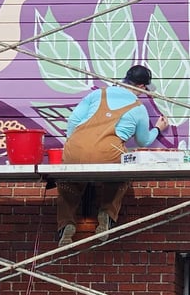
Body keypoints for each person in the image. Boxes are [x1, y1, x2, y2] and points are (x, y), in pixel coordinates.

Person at [56, 65, 169, 246]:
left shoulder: (97, 94)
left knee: (67, 181)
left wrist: (75, 146)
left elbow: (73, 121)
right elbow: (143, 141)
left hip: (75, 146)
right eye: (146, 90)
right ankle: (106, 215)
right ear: (141, 87)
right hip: (107, 151)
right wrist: (158, 128)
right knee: (122, 173)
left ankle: (66, 224)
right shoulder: (138, 108)